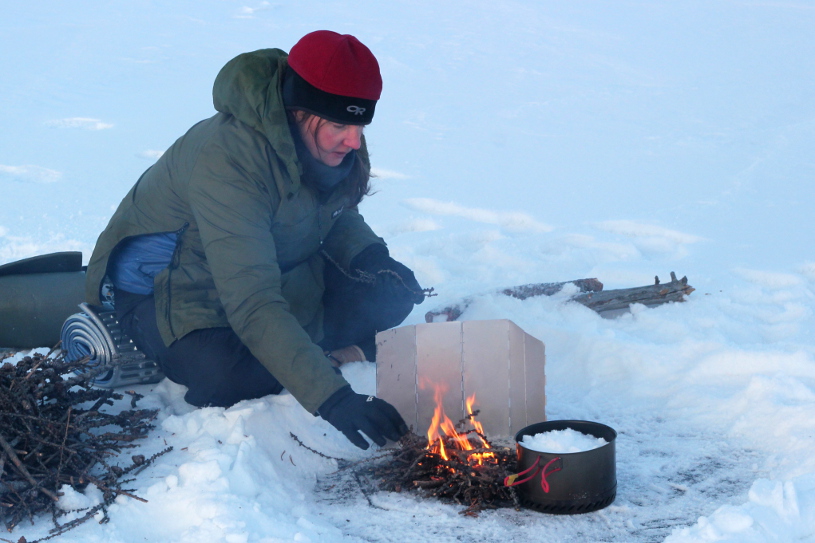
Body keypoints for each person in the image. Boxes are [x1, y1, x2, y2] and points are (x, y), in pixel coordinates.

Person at [84, 31, 425, 450]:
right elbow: (252, 301)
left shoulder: (330, 138)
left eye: (360, 124)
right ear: (302, 111)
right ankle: (314, 358)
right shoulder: (229, 159)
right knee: (225, 376)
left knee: (389, 297)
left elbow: (333, 213)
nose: (354, 141)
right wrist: (332, 398)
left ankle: (304, 355)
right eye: (341, 124)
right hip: (174, 289)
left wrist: (372, 258)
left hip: (269, 260)